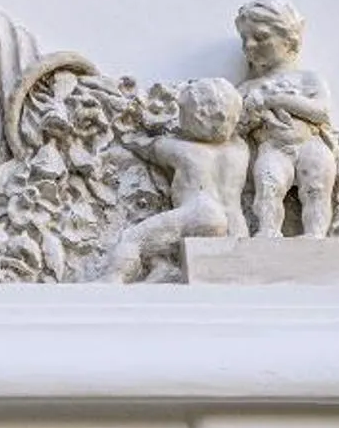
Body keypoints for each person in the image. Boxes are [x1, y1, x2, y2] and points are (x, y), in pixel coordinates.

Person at [104, 77, 248, 281]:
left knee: (133, 239)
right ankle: (163, 269)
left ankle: (112, 279)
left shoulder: (178, 148)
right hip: (237, 227)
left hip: (200, 211)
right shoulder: (241, 149)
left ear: (196, 115)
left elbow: (136, 142)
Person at [236, 0, 339, 239]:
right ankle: (268, 230)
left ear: (289, 39)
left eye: (260, 37)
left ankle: (315, 235)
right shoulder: (247, 87)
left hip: (310, 145)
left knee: (317, 188)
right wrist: (251, 114)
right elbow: (237, 126)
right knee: (268, 186)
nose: (249, 45)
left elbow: (321, 110)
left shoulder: (308, 79)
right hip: (273, 148)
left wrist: (277, 100)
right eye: (245, 39)